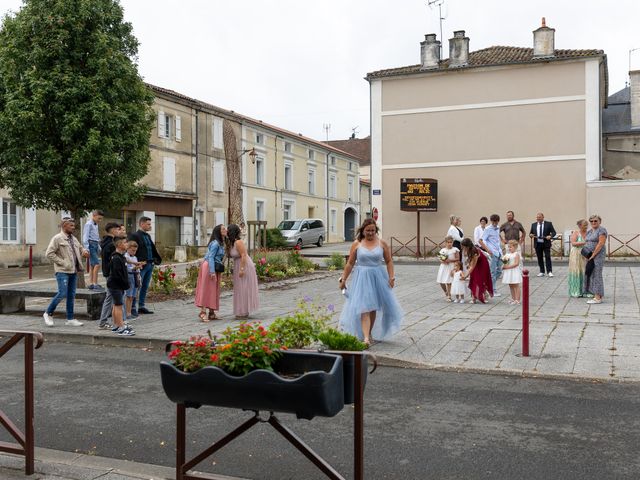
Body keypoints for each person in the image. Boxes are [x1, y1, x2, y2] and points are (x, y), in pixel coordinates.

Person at [338, 218, 403, 346]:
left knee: (373, 307)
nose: (370, 233)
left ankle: (369, 333)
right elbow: (350, 263)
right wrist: (344, 279)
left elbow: (389, 261)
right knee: (364, 308)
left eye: (373, 230)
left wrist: (391, 277)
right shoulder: (357, 244)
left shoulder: (382, 243)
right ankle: (366, 338)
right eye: (368, 230)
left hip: (378, 277)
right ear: (363, 230)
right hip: (361, 278)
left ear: (376, 230)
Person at [43, 218, 90, 327]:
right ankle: (48, 313)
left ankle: (70, 318)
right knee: (62, 293)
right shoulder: (57, 238)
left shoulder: (73, 238)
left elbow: (80, 248)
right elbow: (49, 253)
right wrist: (63, 262)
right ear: (64, 226)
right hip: (62, 271)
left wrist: (84, 251)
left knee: (71, 295)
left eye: (74, 226)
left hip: (74, 270)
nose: (73, 228)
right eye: (71, 226)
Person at [128, 216, 162, 315]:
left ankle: (141, 306)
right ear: (141, 224)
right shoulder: (134, 235)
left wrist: (155, 260)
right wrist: (136, 263)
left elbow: (151, 249)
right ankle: (133, 307)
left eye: (150, 224)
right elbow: (131, 250)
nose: (150, 226)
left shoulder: (147, 236)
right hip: (140, 265)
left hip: (150, 264)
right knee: (136, 286)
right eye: (148, 224)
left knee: (145, 286)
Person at [227, 223, 259, 319]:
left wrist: (241, 269)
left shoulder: (238, 242)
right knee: (239, 288)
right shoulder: (231, 243)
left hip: (244, 265)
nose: (227, 232)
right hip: (238, 264)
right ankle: (241, 310)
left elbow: (244, 255)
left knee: (243, 288)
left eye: (228, 230)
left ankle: (243, 311)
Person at [195, 224, 227, 322]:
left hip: (214, 267)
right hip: (209, 267)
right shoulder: (215, 243)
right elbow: (211, 257)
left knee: (214, 289)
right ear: (218, 231)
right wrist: (212, 272)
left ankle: (211, 313)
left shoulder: (221, 243)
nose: (226, 230)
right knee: (206, 289)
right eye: (223, 229)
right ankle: (202, 312)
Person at [106, 236, 135, 336]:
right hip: (116, 285)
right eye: (125, 242)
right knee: (118, 306)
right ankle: (121, 327)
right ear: (119, 245)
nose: (127, 244)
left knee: (116, 305)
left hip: (117, 285)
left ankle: (116, 325)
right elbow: (117, 274)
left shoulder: (120, 257)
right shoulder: (116, 258)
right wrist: (124, 284)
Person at [97, 222, 121, 329]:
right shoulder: (111, 244)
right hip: (111, 273)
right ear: (112, 230)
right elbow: (112, 260)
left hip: (108, 272)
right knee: (110, 297)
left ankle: (114, 321)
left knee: (111, 297)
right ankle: (103, 322)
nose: (119, 231)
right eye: (117, 229)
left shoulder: (106, 242)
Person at [460, 238, 493, 304]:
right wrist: (468, 264)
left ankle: (483, 295)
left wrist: (466, 276)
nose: (462, 247)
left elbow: (472, 266)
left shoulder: (475, 252)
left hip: (482, 265)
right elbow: (470, 261)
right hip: (476, 264)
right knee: (473, 279)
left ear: (467, 246)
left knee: (479, 280)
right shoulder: (468, 250)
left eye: (463, 246)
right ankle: (474, 298)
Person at [584, 215, 608, 304]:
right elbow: (587, 242)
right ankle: (597, 294)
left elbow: (601, 243)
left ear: (599, 221)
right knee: (592, 274)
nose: (593, 222)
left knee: (597, 274)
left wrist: (593, 255)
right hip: (589, 255)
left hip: (597, 255)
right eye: (592, 221)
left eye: (595, 221)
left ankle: (597, 298)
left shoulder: (601, 230)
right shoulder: (590, 231)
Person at [479, 214, 503, 297]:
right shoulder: (487, 229)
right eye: (493, 221)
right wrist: (488, 250)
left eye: (496, 221)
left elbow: (497, 238)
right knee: (493, 272)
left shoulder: (498, 228)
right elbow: (481, 241)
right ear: (491, 221)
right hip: (492, 252)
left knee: (500, 271)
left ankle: (488, 284)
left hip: (499, 252)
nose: (494, 223)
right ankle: (492, 289)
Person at [529, 212, 556, 277]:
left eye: (539, 217)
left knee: (547, 257)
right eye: (537, 217)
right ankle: (542, 271)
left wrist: (550, 236)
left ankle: (549, 271)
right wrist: (531, 235)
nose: (538, 218)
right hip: (538, 244)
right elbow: (531, 233)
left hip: (546, 243)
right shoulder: (533, 225)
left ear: (543, 217)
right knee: (539, 258)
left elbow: (554, 232)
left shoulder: (549, 224)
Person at [82, 210, 104, 290]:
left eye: (101, 219)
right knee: (97, 264)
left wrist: (98, 246)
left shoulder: (96, 224)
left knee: (92, 265)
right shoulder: (88, 224)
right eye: (99, 218)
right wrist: (86, 248)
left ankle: (91, 283)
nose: (100, 220)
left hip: (95, 244)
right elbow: (85, 236)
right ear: (94, 215)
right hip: (90, 244)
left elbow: (96, 236)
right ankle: (95, 283)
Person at [568, 219, 588, 298]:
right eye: (584, 225)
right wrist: (584, 242)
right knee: (577, 270)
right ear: (579, 226)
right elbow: (573, 243)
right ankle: (576, 290)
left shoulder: (588, 233)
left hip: (585, 253)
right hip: (576, 254)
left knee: (584, 271)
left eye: (586, 225)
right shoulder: (576, 233)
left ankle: (584, 290)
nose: (586, 227)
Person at [124, 241, 143, 320]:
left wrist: (139, 268)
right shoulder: (125, 256)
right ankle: (127, 313)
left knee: (132, 296)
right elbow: (126, 268)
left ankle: (129, 312)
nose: (134, 252)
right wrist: (134, 268)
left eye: (135, 250)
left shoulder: (135, 257)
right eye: (132, 250)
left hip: (135, 276)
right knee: (128, 296)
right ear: (127, 249)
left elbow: (137, 269)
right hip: (129, 276)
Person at [436, 235, 459, 302]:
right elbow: (440, 259)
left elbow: (458, 258)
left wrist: (450, 261)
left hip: (451, 266)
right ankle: (446, 292)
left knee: (449, 281)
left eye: (451, 242)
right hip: (444, 267)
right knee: (441, 281)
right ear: (445, 243)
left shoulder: (455, 249)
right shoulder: (442, 250)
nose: (449, 244)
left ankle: (449, 295)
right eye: (448, 242)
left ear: (453, 242)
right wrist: (443, 261)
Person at [501, 240, 522, 305]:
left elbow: (516, 264)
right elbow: (505, 262)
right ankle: (513, 298)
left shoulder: (516, 254)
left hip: (514, 271)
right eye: (509, 247)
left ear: (515, 247)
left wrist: (507, 267)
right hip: (509, 271)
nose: (509, 248)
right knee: (511, 285)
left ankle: (517, 299)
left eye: (511, 247)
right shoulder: (507, 254)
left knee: (516, 285)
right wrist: (504, 265)